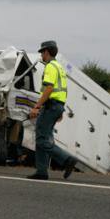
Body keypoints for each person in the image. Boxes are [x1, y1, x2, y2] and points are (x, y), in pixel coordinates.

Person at [27, 41, 77, 180]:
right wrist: (59, 110)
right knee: (44, 137)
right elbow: (61, 91)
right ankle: (42, 171)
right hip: (56, 105)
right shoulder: (59, 67)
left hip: (51, 106)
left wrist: (36, 107)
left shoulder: (50, 67)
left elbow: (49, 88)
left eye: (42, 52)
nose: (41, 55)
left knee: (41, 139)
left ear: (47, 52)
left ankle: (67, 160)